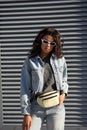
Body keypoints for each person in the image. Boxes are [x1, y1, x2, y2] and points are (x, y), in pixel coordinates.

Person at [20, 27, 69, 130]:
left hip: (56, 106)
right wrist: (26, 113)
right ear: (40, 40)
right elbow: (25, 87)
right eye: (45, 41)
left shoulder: (60, 59)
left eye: (52, 43)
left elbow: (64, 79)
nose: (48, 45)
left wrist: (63, 94)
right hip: (36, 106)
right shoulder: (30, 60)